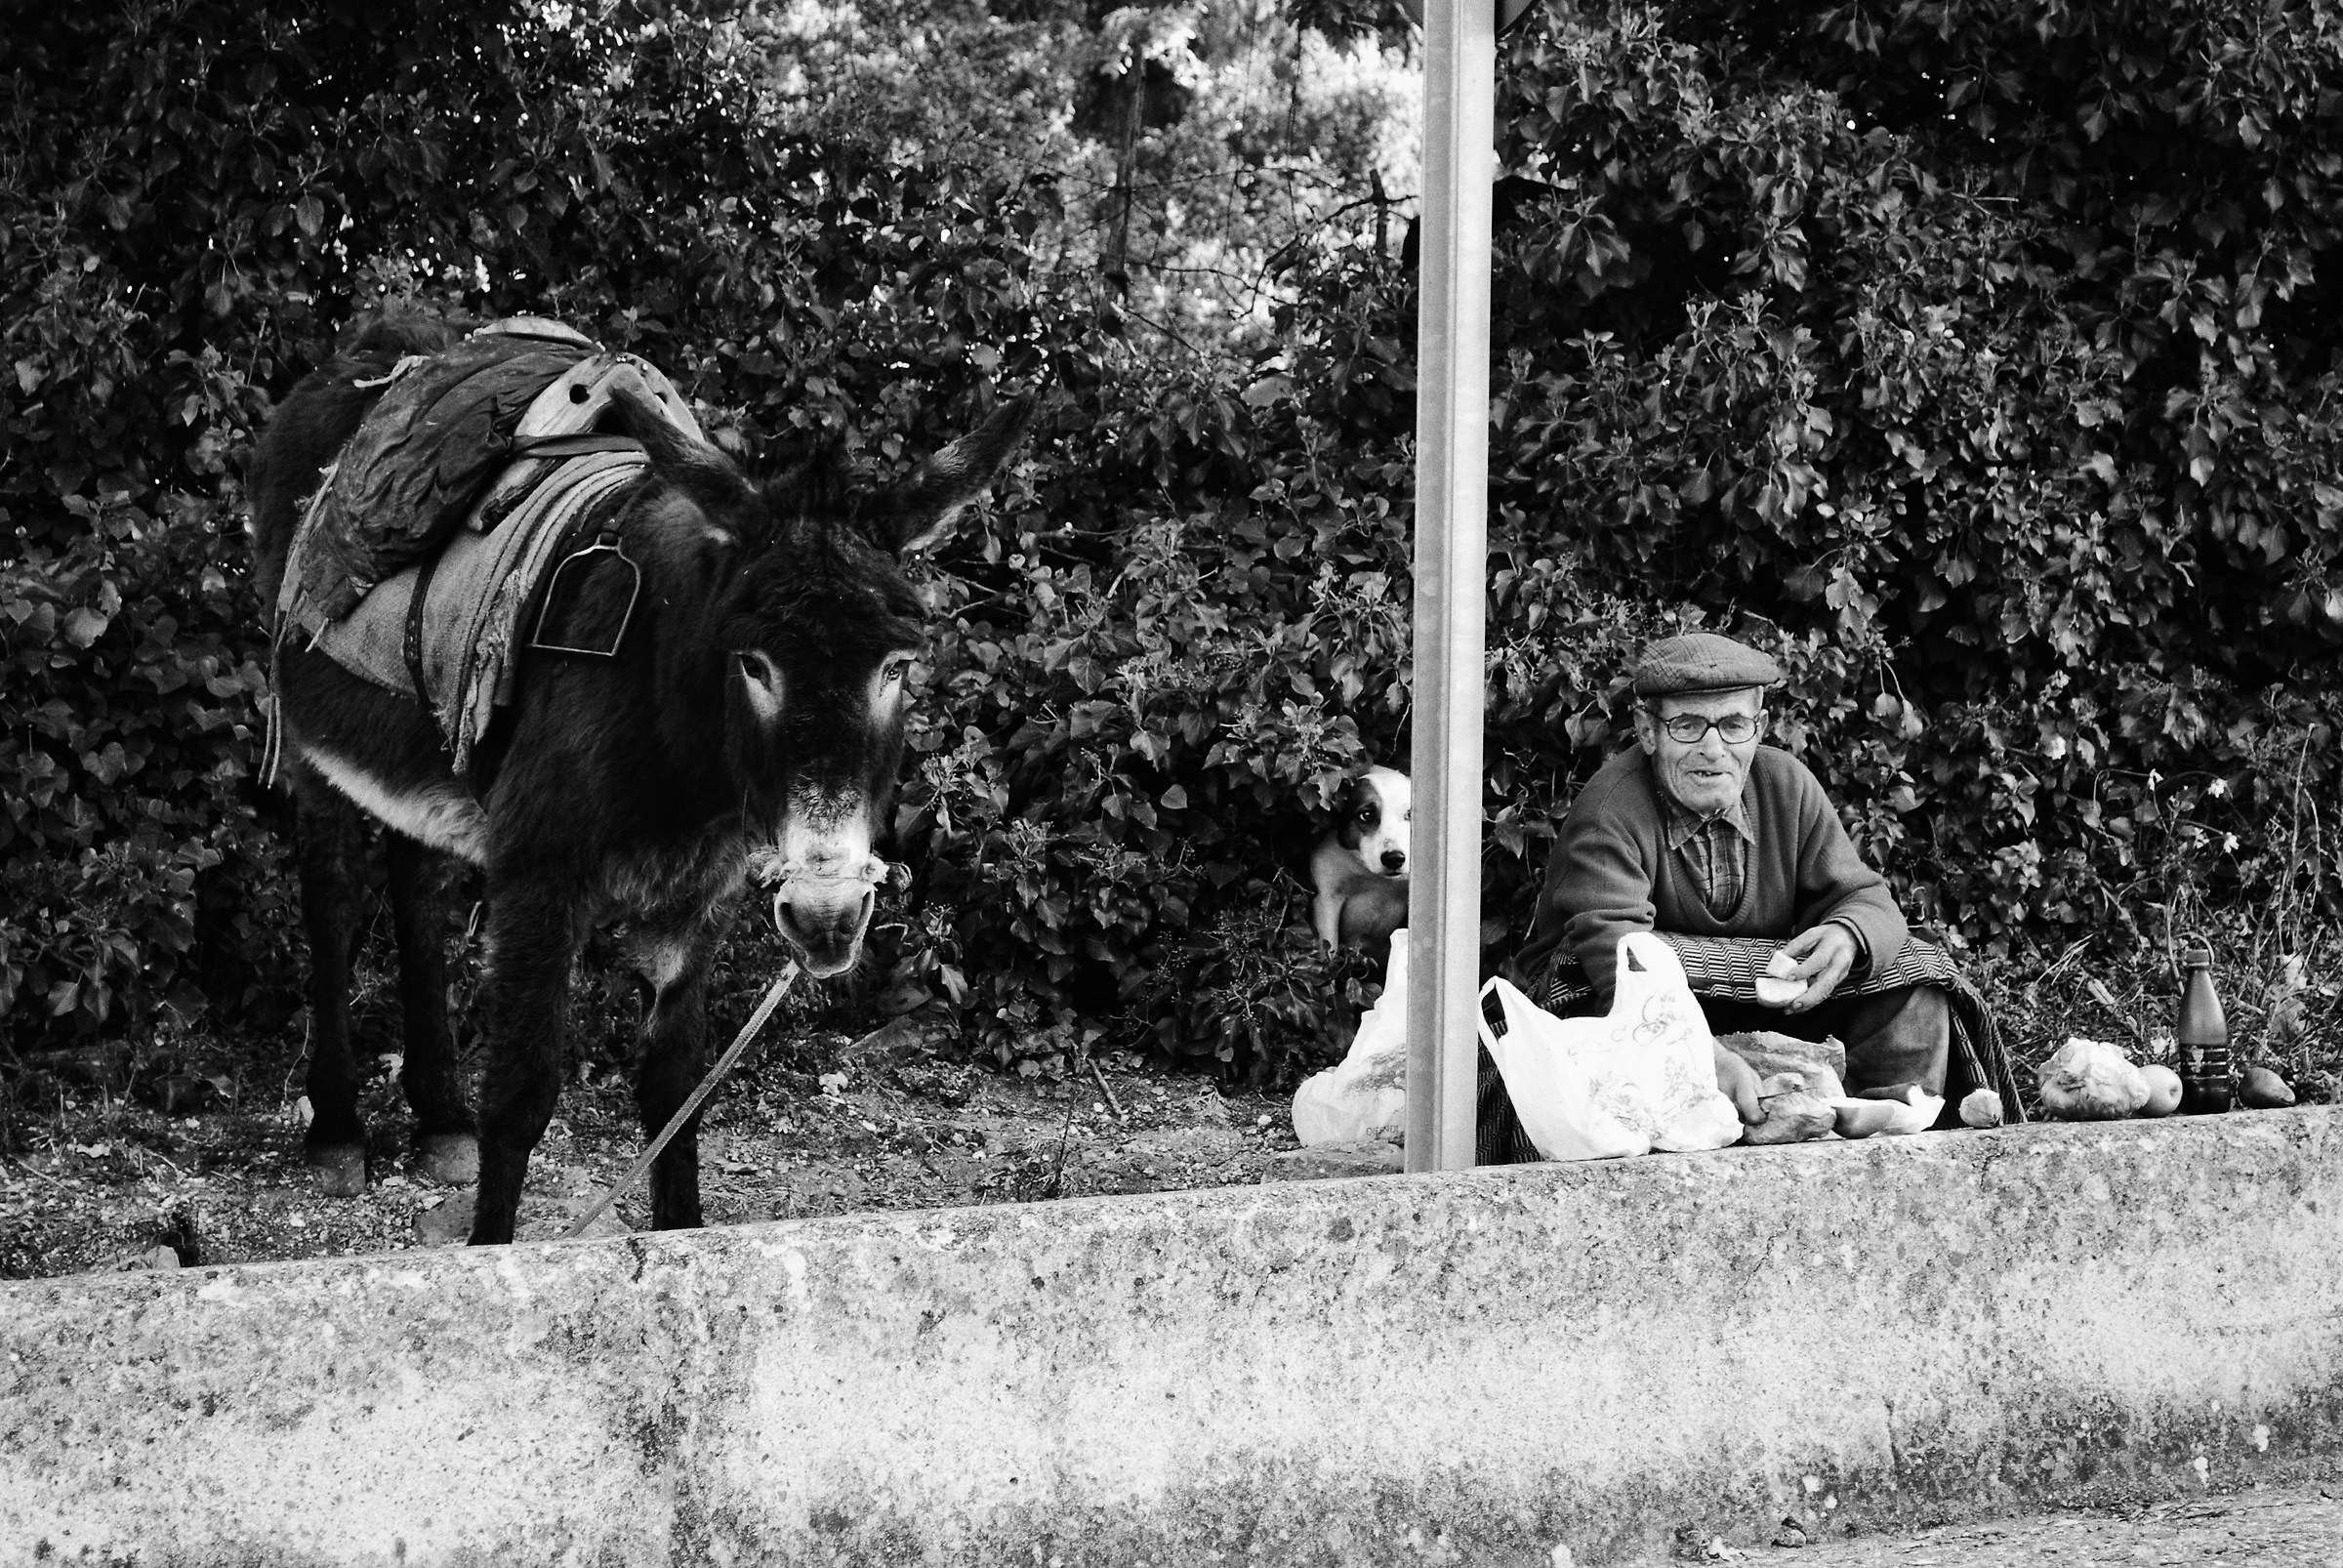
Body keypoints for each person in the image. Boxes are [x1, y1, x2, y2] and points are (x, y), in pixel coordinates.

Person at [1497, 630, 2006, 1154]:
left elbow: (1868, 897)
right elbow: (1618, 961)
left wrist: (1846, 934)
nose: (1713, 749)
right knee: (1621, 974)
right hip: (1612, 1012)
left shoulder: (1785, 784)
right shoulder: (1610, 812)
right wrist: (1702, 1058)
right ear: (1648, 732)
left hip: (1740, 1005)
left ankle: (1879, 1128)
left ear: (1758, 728)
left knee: (1910, 973)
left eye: (1734, 725)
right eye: (1687, 725)